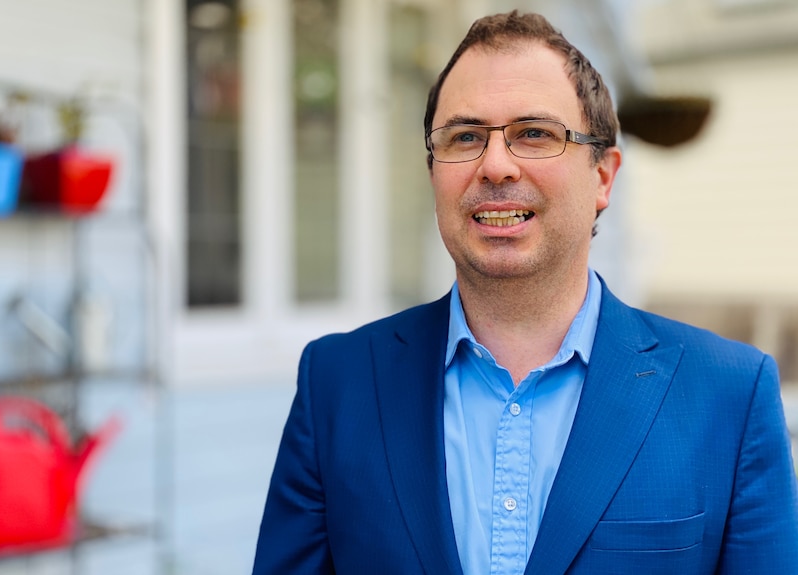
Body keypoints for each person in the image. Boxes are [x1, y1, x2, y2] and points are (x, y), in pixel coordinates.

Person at [252, 10, 798, 575]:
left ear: (604, 177)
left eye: (534, 134)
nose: (495, 165)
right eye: (465, 136)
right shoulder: (337, 383)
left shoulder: (728, 397)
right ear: (433, 170)